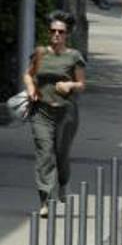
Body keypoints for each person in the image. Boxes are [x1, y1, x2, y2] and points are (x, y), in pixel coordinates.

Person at [23, 13, 86, 216]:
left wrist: (69, 84)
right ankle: (44, 199)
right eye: (53, 31)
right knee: (44, 153)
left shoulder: (74, 56)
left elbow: (82, 84)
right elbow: (28, 74)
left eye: (61, 32)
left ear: (67, 34)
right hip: (41, 110)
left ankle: (63, 182)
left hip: (66, 113)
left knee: (61, 154)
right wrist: (31, 89)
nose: (56, 35)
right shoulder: (40, 53)